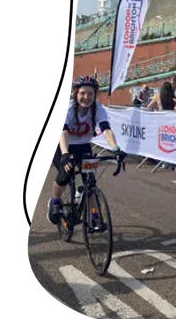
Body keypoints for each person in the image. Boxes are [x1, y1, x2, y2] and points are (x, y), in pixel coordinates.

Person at [48, 76, 126, 225]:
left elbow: (106, 130)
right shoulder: (67, 109)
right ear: (76, 94)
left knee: (90, 181)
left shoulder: (98, 108)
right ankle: (55, 201)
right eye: (83, 93)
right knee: (65, 174)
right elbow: (62, 133)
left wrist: (116, 149)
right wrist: (65, 154)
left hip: (83, 145)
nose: (86, 97)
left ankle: (94, 215)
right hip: (60, 142)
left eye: (90, 94)